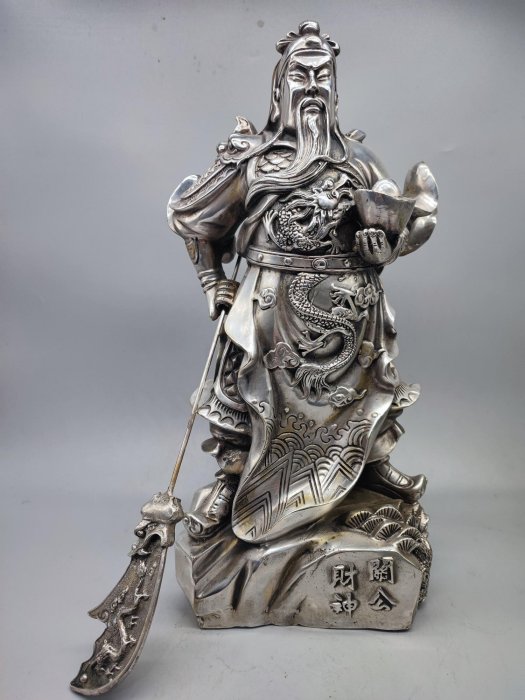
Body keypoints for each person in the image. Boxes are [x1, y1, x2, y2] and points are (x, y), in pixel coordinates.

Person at [167, 21, 438, 544]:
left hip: (351, 312)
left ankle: (372, 467)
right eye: (300, 75)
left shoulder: (358, 161)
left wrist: (384, 251)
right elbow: (195, 221)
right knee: (239, 393)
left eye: (322, 76)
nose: (312, 86)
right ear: (279, 89)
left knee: (370, 388)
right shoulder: (252, 162)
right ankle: (231, 477)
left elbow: (394, 224)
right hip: (271, 308)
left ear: (335, 88)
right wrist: (211, 281)